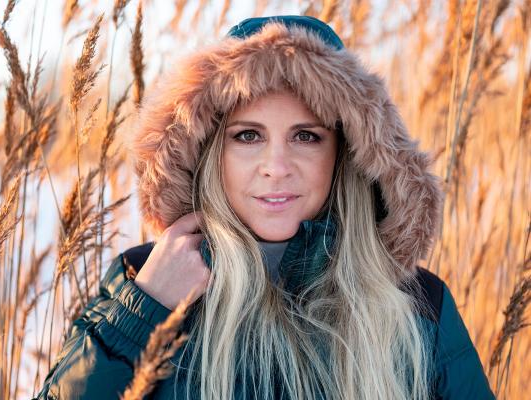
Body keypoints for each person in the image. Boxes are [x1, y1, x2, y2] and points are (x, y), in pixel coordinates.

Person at [33, 15, 495, 400]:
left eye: (306, 136)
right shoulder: (147, 279)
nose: (276, 167)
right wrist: (142, 311)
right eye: (248, 136)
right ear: (211, 150)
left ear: (346, 154)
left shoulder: (417, 305)